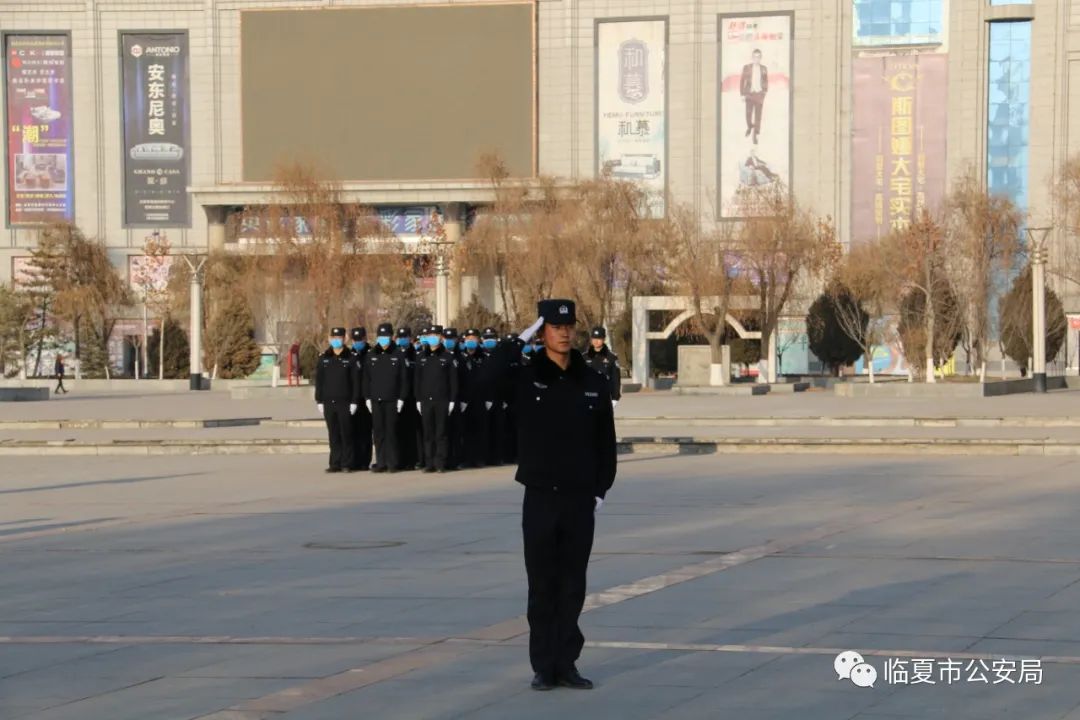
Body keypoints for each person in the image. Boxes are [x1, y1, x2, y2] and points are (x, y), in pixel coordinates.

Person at [491, 299, 617, 691]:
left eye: (569, 326)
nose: (564, 332)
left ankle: (567, 663)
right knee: (542, 584)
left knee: (573, 585)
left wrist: (600, 490)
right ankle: (543, 665)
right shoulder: (526, 378)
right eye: (554, 326)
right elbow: (485, 380)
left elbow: (606, 444)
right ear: (542, 331)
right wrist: (518, 339)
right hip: (542, 497)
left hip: (580, 499)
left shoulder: (591, 381)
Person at [362, 323, 409, 473]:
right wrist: (367, 398)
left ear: (391, 337)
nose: (384, 339)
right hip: (376, 400)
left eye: (386, 336)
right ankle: (381, 462)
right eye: (381, 336)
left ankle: (392, 462)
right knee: (378, 432)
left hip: (392, 400)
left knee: (391, 432)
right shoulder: (371, 355)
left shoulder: (398, 354)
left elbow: (404, 379)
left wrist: (401, 398)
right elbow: (366, 379)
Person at [314, 327, 359, 473]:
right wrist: (319, 400)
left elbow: (355, 382)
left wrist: (354, 401)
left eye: (339, 337)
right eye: (333, 337)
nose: (336, 340)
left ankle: (347, 463)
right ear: (329, 338)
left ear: (344, 338)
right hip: (328, 402)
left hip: (345, 402)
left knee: (346, 433)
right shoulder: (324, 357)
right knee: (333, 434)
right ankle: (335, 462)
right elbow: (319, 381)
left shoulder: (351, 357)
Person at [414, 325, 459, 472]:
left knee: (441, 433)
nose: (433, 337)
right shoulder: (421, 357)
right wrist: (418, 399)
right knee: (428, 433)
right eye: (430, 334)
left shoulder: (447, 357)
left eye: (436, 334)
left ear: (441, 337)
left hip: (442, 400)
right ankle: (429, 463)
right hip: (426, 400)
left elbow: (453, 381)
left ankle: (440, 462)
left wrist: (452, 400)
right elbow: (417, 381)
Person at [395, 326, 421, 471]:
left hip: (411, 398)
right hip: (398, 398)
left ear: (410, 338)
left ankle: (412, 459)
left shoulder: (415, 355)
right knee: (398, 430)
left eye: (405, 337)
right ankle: (399, 458)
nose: (403, 339)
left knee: (411, 431)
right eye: (401, 337)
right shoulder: (395, 353)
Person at [349, 327, 372, 472]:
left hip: (366, 399)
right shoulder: (349, 354)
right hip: (352, 399)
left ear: (365, 338)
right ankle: (354, 459)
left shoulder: (371, 353)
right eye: (355, 340)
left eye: (360, 340)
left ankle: (364, 461)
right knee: (352, 431)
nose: (358, 342)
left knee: (365, 431)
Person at [584, 326, 622, 408]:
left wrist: (615, 398)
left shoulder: (611, 357)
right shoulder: (584, 357)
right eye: (594, 338)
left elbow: (616, 379)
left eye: (599, 338)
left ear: (604, 339)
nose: (596, 341)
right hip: (588, 396)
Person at [740, 48, 768, 145]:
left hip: (759, 95)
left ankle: (756, 134)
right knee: (748, 114)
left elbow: (765, 81)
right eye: (755, 57)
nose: (757, 59)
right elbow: (742, 81)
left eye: (758, 57)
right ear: (752, 58)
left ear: (761, 58)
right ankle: (749, 127)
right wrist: (742, 94)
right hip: (749, 94)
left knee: (758, 116)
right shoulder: (746, 68)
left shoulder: (764, 68)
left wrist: (764, 92)